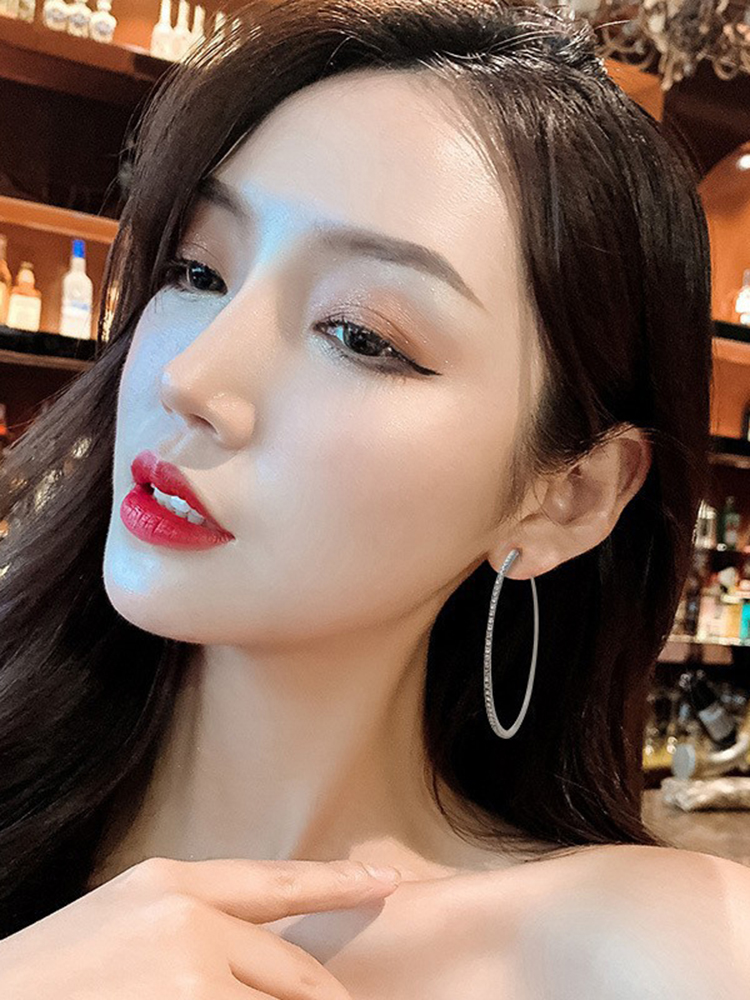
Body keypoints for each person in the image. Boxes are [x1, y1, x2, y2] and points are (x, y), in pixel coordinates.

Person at [0, 0, 748, 995]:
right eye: (197, 270)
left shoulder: (651, 952)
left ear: (568, 496)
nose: (190, 376)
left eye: (360, 335)